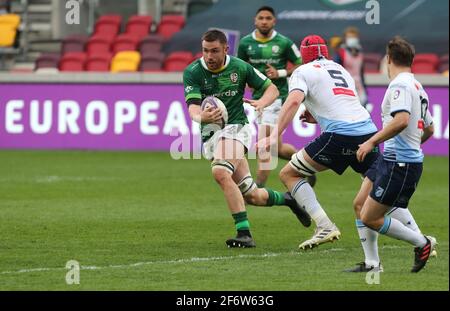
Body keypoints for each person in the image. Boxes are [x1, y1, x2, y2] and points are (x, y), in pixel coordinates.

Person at [183, 29, 311, 248]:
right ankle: (289, 199)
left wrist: (263, 102)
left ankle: (244, 233)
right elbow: (193, 106)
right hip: (211, 136)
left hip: (236, 130)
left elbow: (270, 88)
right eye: (205, 51)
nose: (209, 56)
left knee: (220, 171)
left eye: (215, 51)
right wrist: (199, 116)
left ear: (226, 49)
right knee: (252, 195)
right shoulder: (193, 71)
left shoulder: (240, 67)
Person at [260, 34, 380, 250]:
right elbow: (343, 102)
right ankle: (420, 238)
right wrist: (316, 117)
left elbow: (294, 100)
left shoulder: (302, 71)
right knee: (378, 186)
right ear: (325, 51)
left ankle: (324, 225)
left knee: (289, 174)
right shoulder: (340, 68)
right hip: (368, 133)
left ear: (304, 54)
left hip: (340, 135)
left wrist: (273, 134)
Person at [352, 36, 437, 273]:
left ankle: (422, 243)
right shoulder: (418, 86)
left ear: (388, 59)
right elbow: (430, 128)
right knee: (359, 203)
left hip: (399, 163)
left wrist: (371, 142)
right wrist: (412, 145)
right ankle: (372, 264)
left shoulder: (399, 85)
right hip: (392, 159)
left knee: (370, 217)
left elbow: (401, 121)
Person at [237, 6, 317, 188]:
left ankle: (257, 188)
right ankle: (307, 165)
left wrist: (280, 72)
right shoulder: (245, 43)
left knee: (265, 144)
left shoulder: (284, 42)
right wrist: (245, 82)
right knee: (277, 147)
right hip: (259, 99)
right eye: (261, 18)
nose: (264, 21)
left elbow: (300, 64)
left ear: (274, 21)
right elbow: (240, 67)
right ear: (255, 21)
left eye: (268, 18)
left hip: (277, 97)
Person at [334, 27, 368, 108]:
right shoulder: (340, 54)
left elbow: (361, 73)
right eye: (349, 37)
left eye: (354, 37)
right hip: (345, 89)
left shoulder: (360, 53)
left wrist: (365, 90)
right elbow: (335, 73)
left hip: (359, 89)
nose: (352, 39)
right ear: (345, 39)